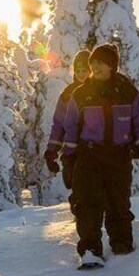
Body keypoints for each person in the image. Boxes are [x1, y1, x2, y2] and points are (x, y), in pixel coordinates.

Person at [61, 43, 139, 269]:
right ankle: (91, 250)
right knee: (88, 203)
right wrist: (68, 161)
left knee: (118, 202)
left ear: (112, 65)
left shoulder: (127, 92)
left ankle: (122, 243)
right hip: (89, 156)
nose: (95, 66)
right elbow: (71, 129)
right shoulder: (81, 93)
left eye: (100, 62)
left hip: (118, 156)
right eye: (93, 62)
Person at [44, 49, 91, 187]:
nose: (81, 74)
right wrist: (51, 152)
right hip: (74, 152)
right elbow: (59, 124)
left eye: (85, 70)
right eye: (78, 70)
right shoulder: (67, 94)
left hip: (98, 152)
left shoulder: (99, 91)